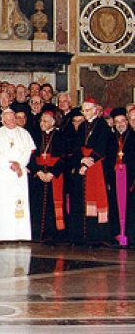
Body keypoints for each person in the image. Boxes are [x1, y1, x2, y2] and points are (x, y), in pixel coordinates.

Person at [0, 109, 35, 241]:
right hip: (2, 173)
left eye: (13, 118)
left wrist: (19, 164)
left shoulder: (24, 134)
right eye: (8, 119)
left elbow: (28, 153)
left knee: (19, 204)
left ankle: (20, 234)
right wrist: (11, 166)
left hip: (19, 173)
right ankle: (3, 234)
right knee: (3, 203)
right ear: (2, 120)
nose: (11, 121)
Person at [69, 98, 112, 245]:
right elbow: (76, 147)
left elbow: (101, 148)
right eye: (83, 110)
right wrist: (81, 160)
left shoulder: (102, 126)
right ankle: (83, 236)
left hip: (96, 167)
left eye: (88, 110)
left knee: (96, 199)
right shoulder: (81, 127)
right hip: (84, 165)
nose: (85, 113)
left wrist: (87, 164)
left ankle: (97, 237)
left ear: (95, 110)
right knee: (82, 201)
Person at [28, 111, 67, 243]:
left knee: (52, 206)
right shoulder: (35, 136)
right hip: (38, 177)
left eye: (45, 121)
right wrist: (38, 171)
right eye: (41, 121)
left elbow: (65, 157)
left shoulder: (61, 136)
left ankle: (53, 235)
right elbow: (30, 157)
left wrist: (52, 173)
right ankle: (37, 233)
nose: (42, 124)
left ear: (53, 122)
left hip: (54, 176)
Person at [106, 108, 135, 247]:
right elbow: (108, 160)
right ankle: (117, 234)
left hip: (128, 176)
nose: (120, 124)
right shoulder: (111, 139)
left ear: (127, 121)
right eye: (117, 122)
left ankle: (128, 235)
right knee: (115, 205)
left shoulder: (133, 136)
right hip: (115, 177)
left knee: (129, 206)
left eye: (122, 121)